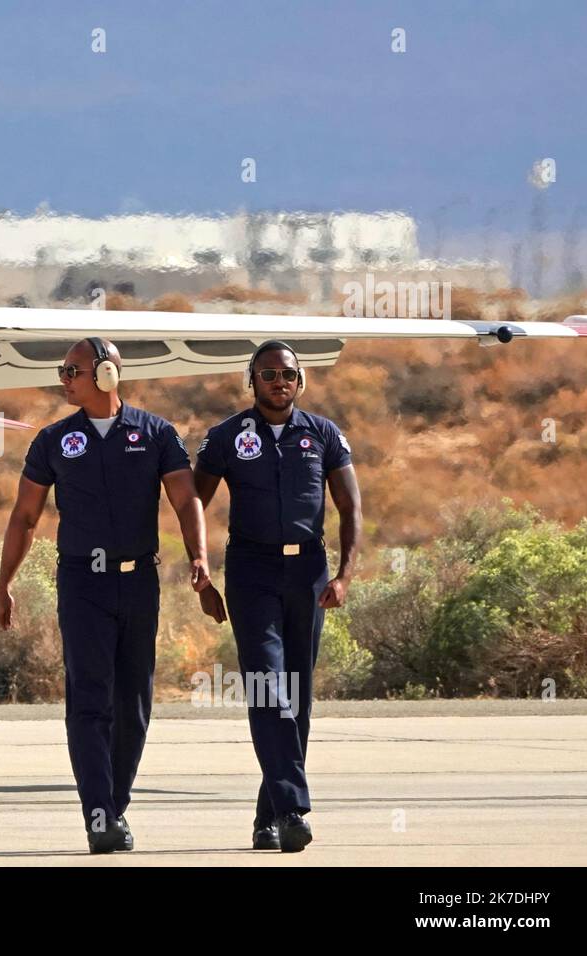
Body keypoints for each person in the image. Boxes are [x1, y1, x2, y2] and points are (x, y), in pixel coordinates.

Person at [0, 337, 216, 853]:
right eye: (62, 370)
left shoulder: (156, 433)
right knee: (89, 700)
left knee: (134, 703)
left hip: (139, 580)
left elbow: (186, 502)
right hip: (81, 583)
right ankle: (98, 813)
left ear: (107, 375)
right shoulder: (53, 440)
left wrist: (199, 556)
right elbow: (25, 516)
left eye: (72, 370)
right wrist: (4, 581)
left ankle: (113, 806)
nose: (63, 379)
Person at [193, 340, 362, 853]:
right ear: (252, 381)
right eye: (267, 374)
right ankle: (293, 809)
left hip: (309, 571)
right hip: (251, 570)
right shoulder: (226, 437)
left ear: (300, 381)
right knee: (268, 686)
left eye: (287, 374)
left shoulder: (324, 435)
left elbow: (351, 509)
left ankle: (268, 816)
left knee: (298, 698)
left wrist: (345, 575)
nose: (278, 382)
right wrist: (200, 569)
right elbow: (193, 504)